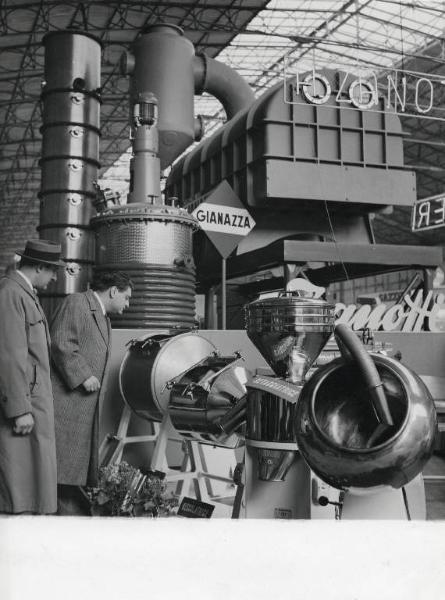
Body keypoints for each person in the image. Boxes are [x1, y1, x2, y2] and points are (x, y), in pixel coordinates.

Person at [50, 269, 133, 515]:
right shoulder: (76, 302)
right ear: (113, 291)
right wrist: (83, 375)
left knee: (70, 469)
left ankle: (68, 515)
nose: (127, 304)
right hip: (66, 406)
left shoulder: (104, 317)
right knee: (63, 468)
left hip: (80, 408)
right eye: (126, 297)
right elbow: (61, 342)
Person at [0, 239, 64, 514]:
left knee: (31, 482)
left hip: (32, 400)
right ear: (39, 267)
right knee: (18, 486)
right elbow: (8, 355)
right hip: (23, 406)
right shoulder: (11, 294)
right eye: (53, 271)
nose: (55, 278)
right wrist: (19, 409)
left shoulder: (23, 294)